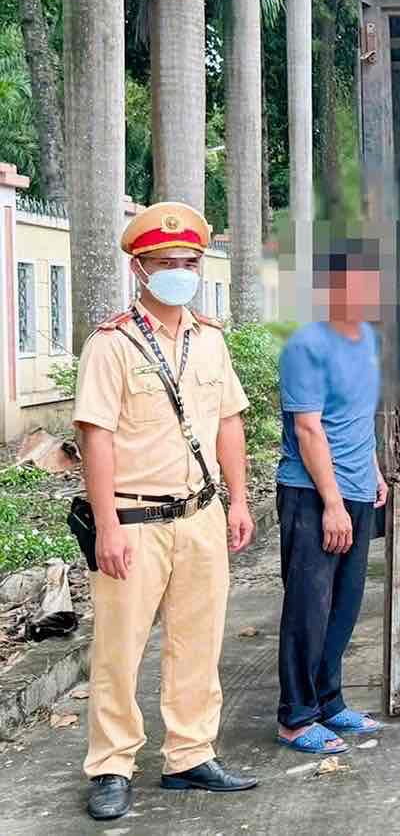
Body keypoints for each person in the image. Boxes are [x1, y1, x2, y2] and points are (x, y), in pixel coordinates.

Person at [74, 202, 258, 821]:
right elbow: (95, 437)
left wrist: (239, 500)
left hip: (202, 516)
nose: (181, 271)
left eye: (189, 261)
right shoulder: (112, 345)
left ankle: (189, 755)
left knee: (197, 644)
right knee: (119, 650)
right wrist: (105, 526)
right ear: (139, 269)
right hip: (134, 521)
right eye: (167, 263)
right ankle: (110, 764)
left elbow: (229, 421)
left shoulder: (209, 338)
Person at [275, 245, 388, 755]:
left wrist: (375, 472)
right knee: (309, 607)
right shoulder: (306, 345)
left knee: (344, 605)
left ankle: (330, 701)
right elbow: (308, 429)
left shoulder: (368, 340)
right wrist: (334, 504)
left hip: (358, 489)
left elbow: (359, 417)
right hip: (313, 494)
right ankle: (296, 718)